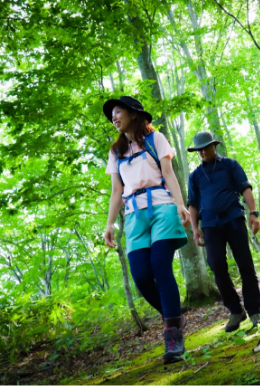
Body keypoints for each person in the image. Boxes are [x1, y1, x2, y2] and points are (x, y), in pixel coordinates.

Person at [103, 96, 190, 364]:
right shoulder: (116, 152)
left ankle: (173, 336)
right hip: (134, 215)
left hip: (162, 207)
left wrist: (180, 204)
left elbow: (169, 173)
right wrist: (109, 224)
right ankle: (172, 316)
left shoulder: (155, 139)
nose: (114, 117)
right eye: (112, 115)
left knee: (159, 266)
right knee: (141, 276)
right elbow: (117, 191)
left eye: (118, 112)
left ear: (133, 113)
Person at [187, 132, 260, 332]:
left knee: (245, 264)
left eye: (206, 147)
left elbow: (245, 188)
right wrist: (195, 229)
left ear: (214, 145)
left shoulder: (230, 165)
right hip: (210, 225)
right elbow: (193, 204)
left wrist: (253, 213)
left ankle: (255, 311)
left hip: (233, 219)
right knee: (217, 265)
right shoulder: (195, 176)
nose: (203, 152)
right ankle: (235, 310)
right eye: (199, 149)